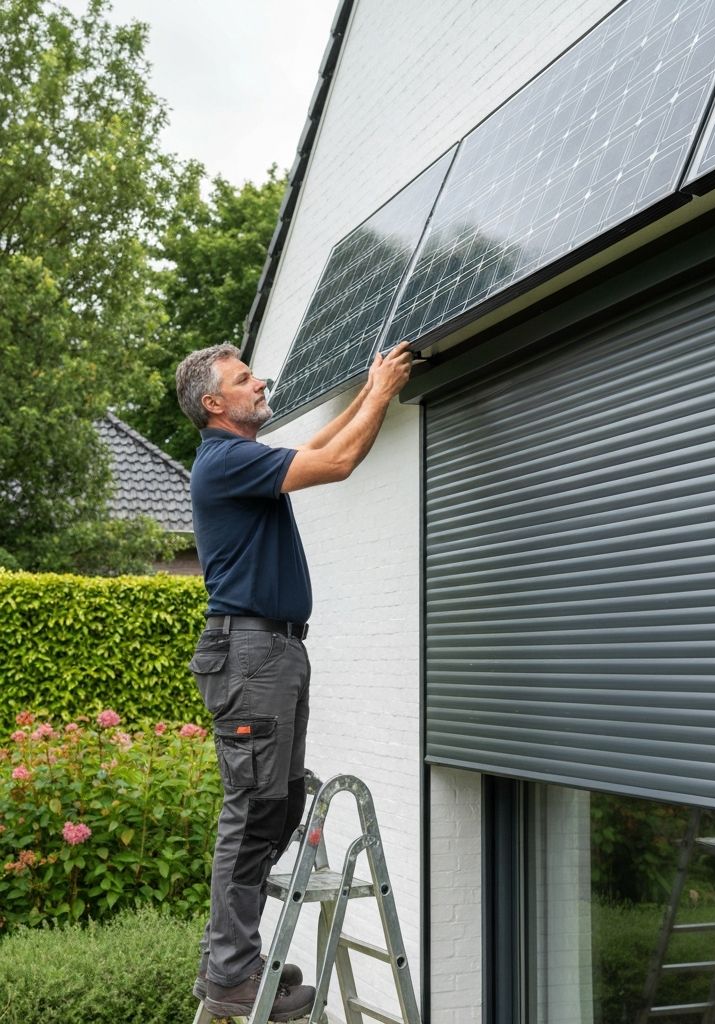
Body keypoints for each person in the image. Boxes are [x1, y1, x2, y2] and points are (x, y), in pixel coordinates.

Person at [175, 340, 413, 1021]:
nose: (260, 383)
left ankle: (238, 962)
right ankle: (230, 974)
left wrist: (366, 394)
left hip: (271, 652)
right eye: (245, 379)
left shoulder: (242, 461)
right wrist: (383, 391)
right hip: (250, 653)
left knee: (276, 807)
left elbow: (315, 445)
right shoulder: (223, 463)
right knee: (251, 809)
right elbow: (335, 464)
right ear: (215, 403)